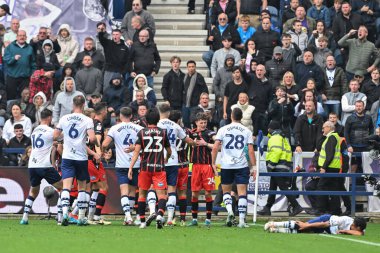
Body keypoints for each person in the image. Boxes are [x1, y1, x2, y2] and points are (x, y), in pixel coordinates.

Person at [53, 95, 96, 226]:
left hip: (67, 157)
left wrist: (64, 139)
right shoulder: (88, 120)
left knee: (66, 186)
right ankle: (82, 217)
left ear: (73, 105)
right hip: (81, 157)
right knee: (82, 187)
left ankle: (65, 213)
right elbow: (92, 139)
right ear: (83, 105)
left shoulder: (64, 118)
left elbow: (55, 136)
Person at [212, 107, 256, 227]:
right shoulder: (246, 131)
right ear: (241, 117)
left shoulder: (223, 129)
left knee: (226, 191)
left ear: (231, 116)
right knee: (242, 193)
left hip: (226, 165)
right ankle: (241, 221)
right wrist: (254, 167)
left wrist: (213, 163)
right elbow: (251, 150)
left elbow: (215, 147)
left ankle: (230, 211)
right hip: (241, 165)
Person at [128, 108, 171, 229]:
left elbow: (136, 152)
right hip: (159, 167)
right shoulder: (163, 132)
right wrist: (167, 157)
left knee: (142, 194)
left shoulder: (141, 132)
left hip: (145, 167)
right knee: (162, 195)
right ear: (158, 120)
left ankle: (142, 222)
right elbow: (169, 150)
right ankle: (160, 215)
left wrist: (131, 167)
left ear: (146, 120)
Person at [20, 109, 63, 225]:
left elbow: (43, 143)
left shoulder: (34, 130)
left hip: (32, 165)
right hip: (44, 165)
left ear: (40, 118)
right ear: (49, 118)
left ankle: (24, 217)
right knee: (63, 188)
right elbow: (60, 137)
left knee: (33, 191)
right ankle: (60, 217)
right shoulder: (50, 131)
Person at [102, 107, 143, 225]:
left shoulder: (114, 128)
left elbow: (105, 143)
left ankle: (128, 216)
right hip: (136, 163)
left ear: (120, 116)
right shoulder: (139, 128)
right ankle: (129, 216)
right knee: (132, 191)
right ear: (131, 116)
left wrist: (103, 152)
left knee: (124, 191)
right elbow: (144, 145)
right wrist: (134, 147)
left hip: (121, 164)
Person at [157, 104, 195, 226]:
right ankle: (169, 219)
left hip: (159, 160)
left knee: (160, 190)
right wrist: (196, 143)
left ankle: (159, 215)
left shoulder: (156, 125)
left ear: (159, 111)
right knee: (172, 190)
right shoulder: (175, 126)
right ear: (169, 112)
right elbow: (187, 140)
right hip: (174, 161)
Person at [258, 121, 303, 216]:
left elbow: (276, 152)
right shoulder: (283, 137)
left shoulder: (275, 138)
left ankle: (296, 206)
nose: (268, 129)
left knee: (283, 187)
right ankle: (267, 207)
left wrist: (270, 166)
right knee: (272, 187)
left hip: (277, 166)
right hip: (283, 166)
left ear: (271, 129)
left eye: (269, 128)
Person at [188, 112, 217, 227]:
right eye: (201, 123)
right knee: (194, 194)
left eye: (205, 122)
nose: (203, 125)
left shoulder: (210, 133)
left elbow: (217, 146)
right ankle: (194, 219)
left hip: (207, 166)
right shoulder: (191, 133)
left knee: (207, 193)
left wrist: (206, 144)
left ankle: (208, 220)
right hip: (195, 166)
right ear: (196, 123)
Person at [85, 103, 110, 225]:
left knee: (94, 188)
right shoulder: (98, 124)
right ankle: (96, 215)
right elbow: (97, 140)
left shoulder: (91, 123)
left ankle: (90, 216)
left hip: (88, 158)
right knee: (104, 188)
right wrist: (99, 154)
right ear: (103, 111)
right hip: (94, 160)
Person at [315, 121, 342, 214]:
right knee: (333, 189)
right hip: (334, 167)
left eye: (324, 127)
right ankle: (336, 210)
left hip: (329, 167)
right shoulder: (334, 137)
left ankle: (320, 209)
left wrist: (324, 167)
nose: (322, 129)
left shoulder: (331, 138)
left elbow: (329, 155)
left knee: (320, 187)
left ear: (329, 128)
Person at [3, 30, 36, 100]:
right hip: (12, 77)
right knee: (10, 98)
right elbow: (6, 60)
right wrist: (14, 58)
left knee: (24, 99)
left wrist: (32, 74)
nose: (22, 37)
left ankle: (24, 111)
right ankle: (10, 111)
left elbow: (33, 63)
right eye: (20, 35)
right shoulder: (10, 47)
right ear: (17, 37)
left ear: (26, 37)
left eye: (23, 36)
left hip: (25, 78)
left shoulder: (30, 48)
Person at [264, 215, 366, 235]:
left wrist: (345, 231)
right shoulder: (343, 220)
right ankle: (273, 223)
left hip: (329, 229)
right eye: (352, 224)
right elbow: (324, 224)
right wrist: (307, 225)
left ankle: (276, 230)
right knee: (302, 226)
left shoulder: (361, 229)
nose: (351, 224)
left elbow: (359, 234)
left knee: (303, 231)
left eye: (353, 225)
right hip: (325, 221)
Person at [345, 100, 373, 173]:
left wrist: (370, 141)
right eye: (357, 106)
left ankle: (367, 183)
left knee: (366, 167)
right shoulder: (350, 118)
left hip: (365, 146)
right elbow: (346, 132)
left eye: (360, 106)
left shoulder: (368, 118)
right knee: (353, 166)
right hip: (353, 147)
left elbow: (372, 129)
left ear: (363, 107)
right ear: (355, 107)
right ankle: (351, 184)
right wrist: (348, 145)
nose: (358, 108)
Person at [247, 64, 273, 136]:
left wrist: (267, 111)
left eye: (261, 70)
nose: (259, 72)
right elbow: (244, 75)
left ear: (264, 72)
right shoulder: (251, 79)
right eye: (257, 70)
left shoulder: (269, 84)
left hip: (263, 111)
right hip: (252, 110)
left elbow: (270, 99)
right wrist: (242, 67)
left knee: (263, 132)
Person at [183, 60, 208, 128]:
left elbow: (205, 90)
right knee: (185, 121)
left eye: (193, 66)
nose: (191, 68)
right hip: (185, 104)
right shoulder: (185, 77)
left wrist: (201, 102)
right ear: (187, 68)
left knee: (195, 122)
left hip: (195, 105)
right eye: (189, 67)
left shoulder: (199, 77)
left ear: (195, 67)